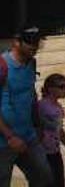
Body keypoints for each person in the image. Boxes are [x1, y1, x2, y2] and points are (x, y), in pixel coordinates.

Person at [0, 27, 52, 187]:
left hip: (29, 137)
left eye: (37, 42)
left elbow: (31, 95)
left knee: (44, 178)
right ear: (16, 42)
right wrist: (10, 137)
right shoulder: (2, 65)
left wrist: (37, 126)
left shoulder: (32, 63)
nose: (35, 46)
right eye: (30, 42)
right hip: (4, 143)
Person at [38, 74, 65, 187]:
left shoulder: (58, 107)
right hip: (43, 153)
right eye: (62, 86)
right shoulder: (42, 106)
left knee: (59, 181)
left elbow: (59, 130)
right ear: (50, 88)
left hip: (54, 151)